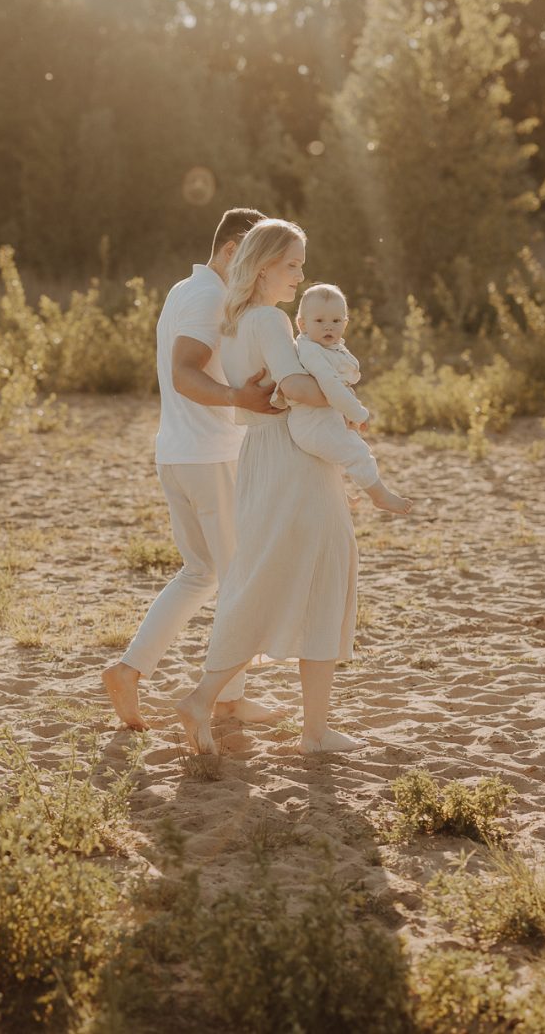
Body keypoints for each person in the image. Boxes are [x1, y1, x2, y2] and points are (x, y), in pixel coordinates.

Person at [102, 207, 326, 731]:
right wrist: (238, 397)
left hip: (179, 453)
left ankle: (132, 670)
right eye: (251, 253)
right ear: (232, 251)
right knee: (240, 580)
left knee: (203, 573)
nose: (255, 264)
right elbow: (184, 372)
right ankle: (220, 699)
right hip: (211, 454)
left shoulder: (186, 290)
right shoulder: (207, 296)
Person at [177, 219, 376, 757]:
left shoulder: (239, 318)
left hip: (265, 457)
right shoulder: (267, 319)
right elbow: (293, 387)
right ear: (264, 265)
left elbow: (273, 387)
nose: (300, 274)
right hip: (293, 464)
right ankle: (207, 700)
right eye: (292, 264)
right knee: (309, 578)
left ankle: (312, 730)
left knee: (285, 581)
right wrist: (344, 397)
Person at [274, 283, 413, 515]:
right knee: (357, 452)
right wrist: (359, 413)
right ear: (302, 324)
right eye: (319, 321)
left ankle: (340, 493)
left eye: (336, 321)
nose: (329, 326)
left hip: (322, 419)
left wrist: (346, 413)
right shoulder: (310, 350)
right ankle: (380, 496)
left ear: (345, 324)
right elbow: (331, 387)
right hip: (312, 424)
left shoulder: (329, 347)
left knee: (340, 451)